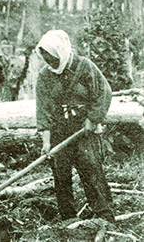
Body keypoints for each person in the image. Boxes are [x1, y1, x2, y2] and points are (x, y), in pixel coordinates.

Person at [35, 30, 115, 222]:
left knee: (92, 173)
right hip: (59, 132)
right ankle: (68, 220)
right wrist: (46, 142)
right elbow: (43, 111)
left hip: (84, 131)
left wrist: (92, 119)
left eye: (52, 58)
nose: (50, 63)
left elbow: (103, 93)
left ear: (61, 52)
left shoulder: (84, 66)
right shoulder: (45, 76)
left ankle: (105, 216)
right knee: (61, 177)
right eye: (46, 58)